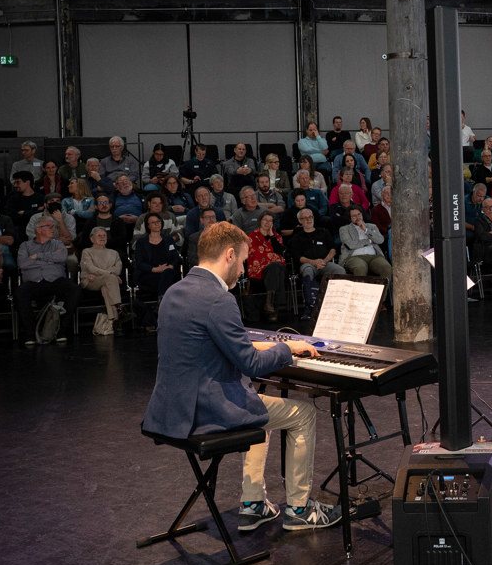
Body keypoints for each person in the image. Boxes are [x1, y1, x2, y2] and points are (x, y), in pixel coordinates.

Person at [141, 221, 342, 532]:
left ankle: (253, 503)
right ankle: (300, 509)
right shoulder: (219, 299)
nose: (245, 269)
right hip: (206, 412)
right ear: (230, 254)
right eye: (245, 261)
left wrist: (278, 342)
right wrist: (289, 350)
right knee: (300, 414)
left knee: (257, 403)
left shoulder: (175, 291)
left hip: (171, 409)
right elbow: (251, 364)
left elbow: (216, 341)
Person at [15, 216, 80, 346]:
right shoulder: (26, 246)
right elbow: (23, 264)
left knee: (75, 290)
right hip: (34, 282)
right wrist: (50, 259)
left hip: (55, 280)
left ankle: (61, 330)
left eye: (54, 226)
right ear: (39, 229)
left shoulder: (58, 243)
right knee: (20, 292)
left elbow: (61, 257)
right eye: (49, 226)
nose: (53, 229)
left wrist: (37, 256)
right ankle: (30, 333)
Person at [289, 207, 344, 317]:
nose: (308, 220)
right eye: (305, 218)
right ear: (300, 221)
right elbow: (298, 257)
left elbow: (333, 249)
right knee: (308, 271)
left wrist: (324, 261)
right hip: (308, 264)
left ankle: (338, 304)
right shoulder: (297, 237)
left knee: (340, 270)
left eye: (310, 217)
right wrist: (313, 262)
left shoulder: (323, 232)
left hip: (325, 263)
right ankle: (310, 306)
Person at [134, 211, 181, 324]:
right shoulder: (141, 242)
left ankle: (161, 301)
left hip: (167, 273)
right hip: (150, 274)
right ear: (148, 225)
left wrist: (170, 266)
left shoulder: (168, 239)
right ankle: (163, 303)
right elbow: (139, 263)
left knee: (168, 272)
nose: (157, 224)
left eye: (158, 222)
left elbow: (176, 258)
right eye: (153, 222)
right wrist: (154, 269)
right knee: (165, 275)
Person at [80, 226, 125, 331]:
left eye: (104, 235)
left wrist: (102, 273)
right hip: (91, 281)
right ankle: (119, 307)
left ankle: (115, 321)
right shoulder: (87, 251)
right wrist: (110, 273)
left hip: (105, 281)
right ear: (92, 239)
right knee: (110, 278)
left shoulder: (114, 253)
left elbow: (118, 269)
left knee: (106, 288)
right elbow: (90, 267)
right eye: (99, 235)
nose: (102, 237)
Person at [245, 211, 288, 321]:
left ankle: (269, 304)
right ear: (260, 221)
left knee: (275, 267)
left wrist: (272, 236)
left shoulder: (276, 236)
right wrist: (272, 257)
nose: (268, 223)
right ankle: (277, 307)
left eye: (270, 221)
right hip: (259, 269)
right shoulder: (252, 236)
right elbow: (255, 254)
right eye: (265, 220)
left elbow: (281, 252)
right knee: (276, 267)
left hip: (273, 269)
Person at [338, 206, 391, 279]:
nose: (357, 217)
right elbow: (351, 245)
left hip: (373, 256)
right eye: (354, 216)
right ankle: (359, 290)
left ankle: (382, 290)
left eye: (359, 214)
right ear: (350, 218)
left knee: (386, 268)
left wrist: (366, 230)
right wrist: (369, 241)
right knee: (361, 267)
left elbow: (380, 240)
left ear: (362, 214)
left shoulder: (372, 227)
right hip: (353, 257)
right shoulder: (344, 229)